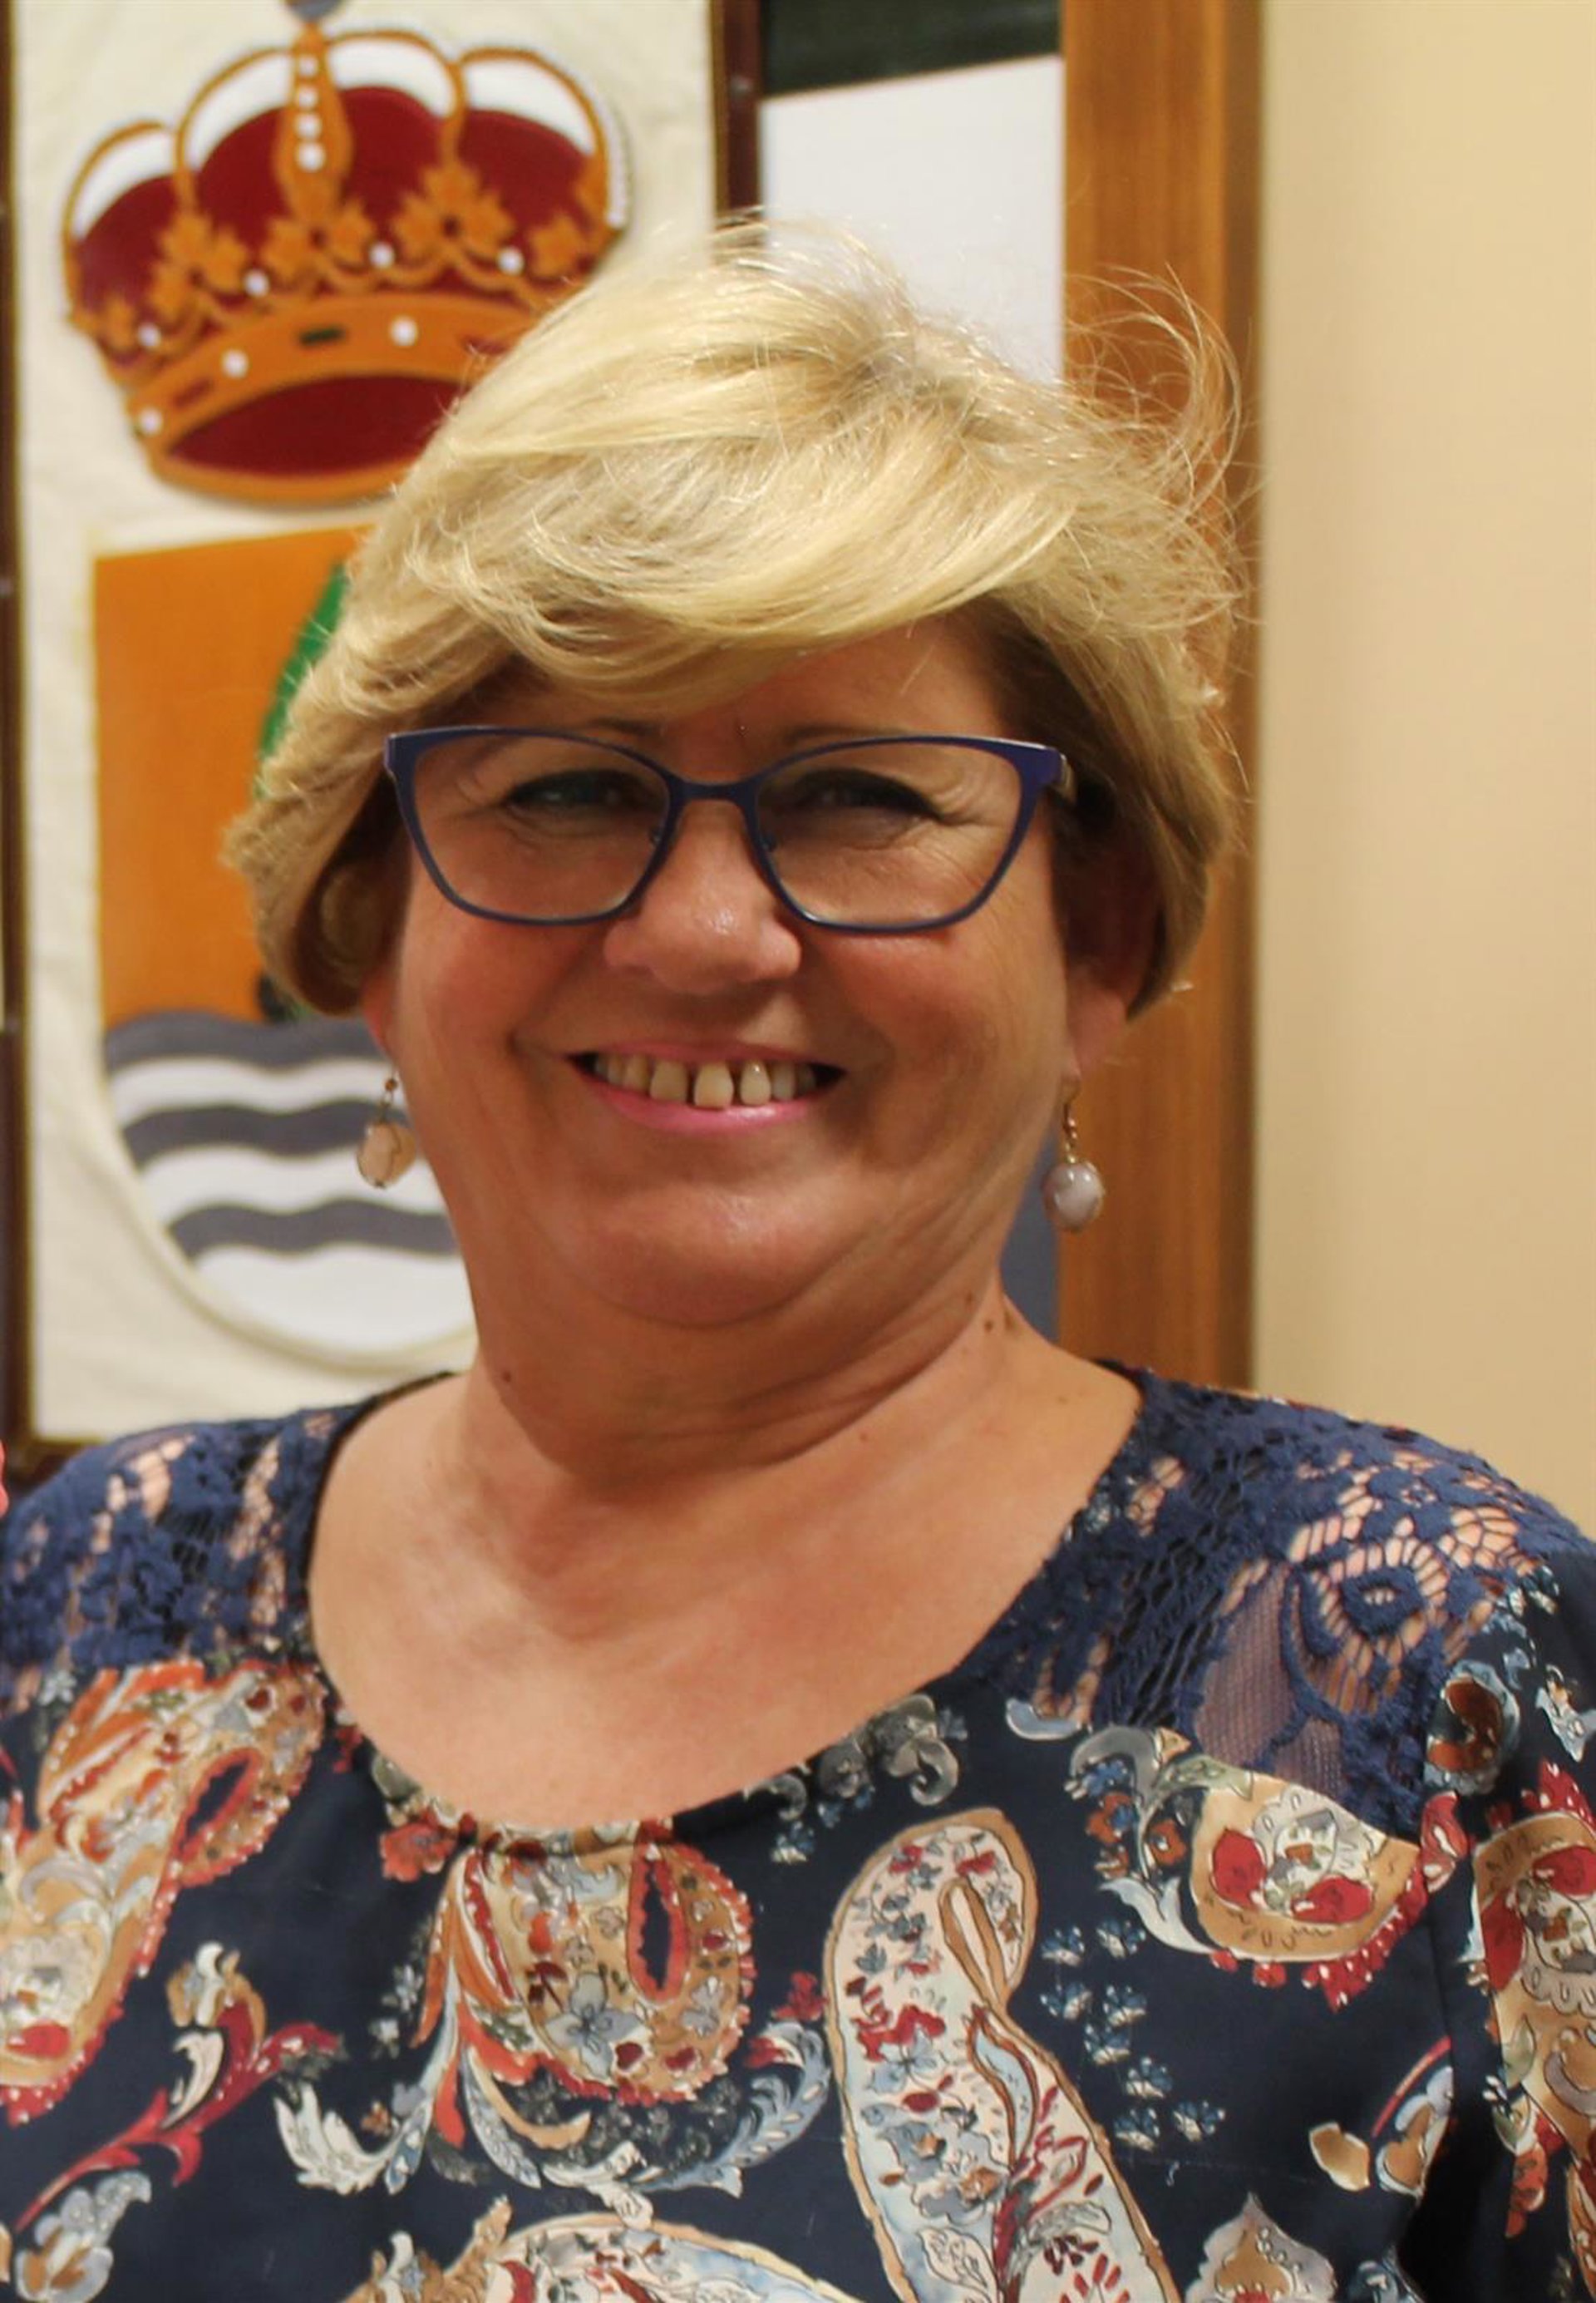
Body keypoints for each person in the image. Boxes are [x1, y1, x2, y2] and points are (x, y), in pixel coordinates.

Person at [0, 225, 1589, 2303]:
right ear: (368, 931)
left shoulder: (1415, 1681)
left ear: (1094, 940)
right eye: (572, 787)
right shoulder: (94, 1604)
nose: (704, 931)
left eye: (854, 797)